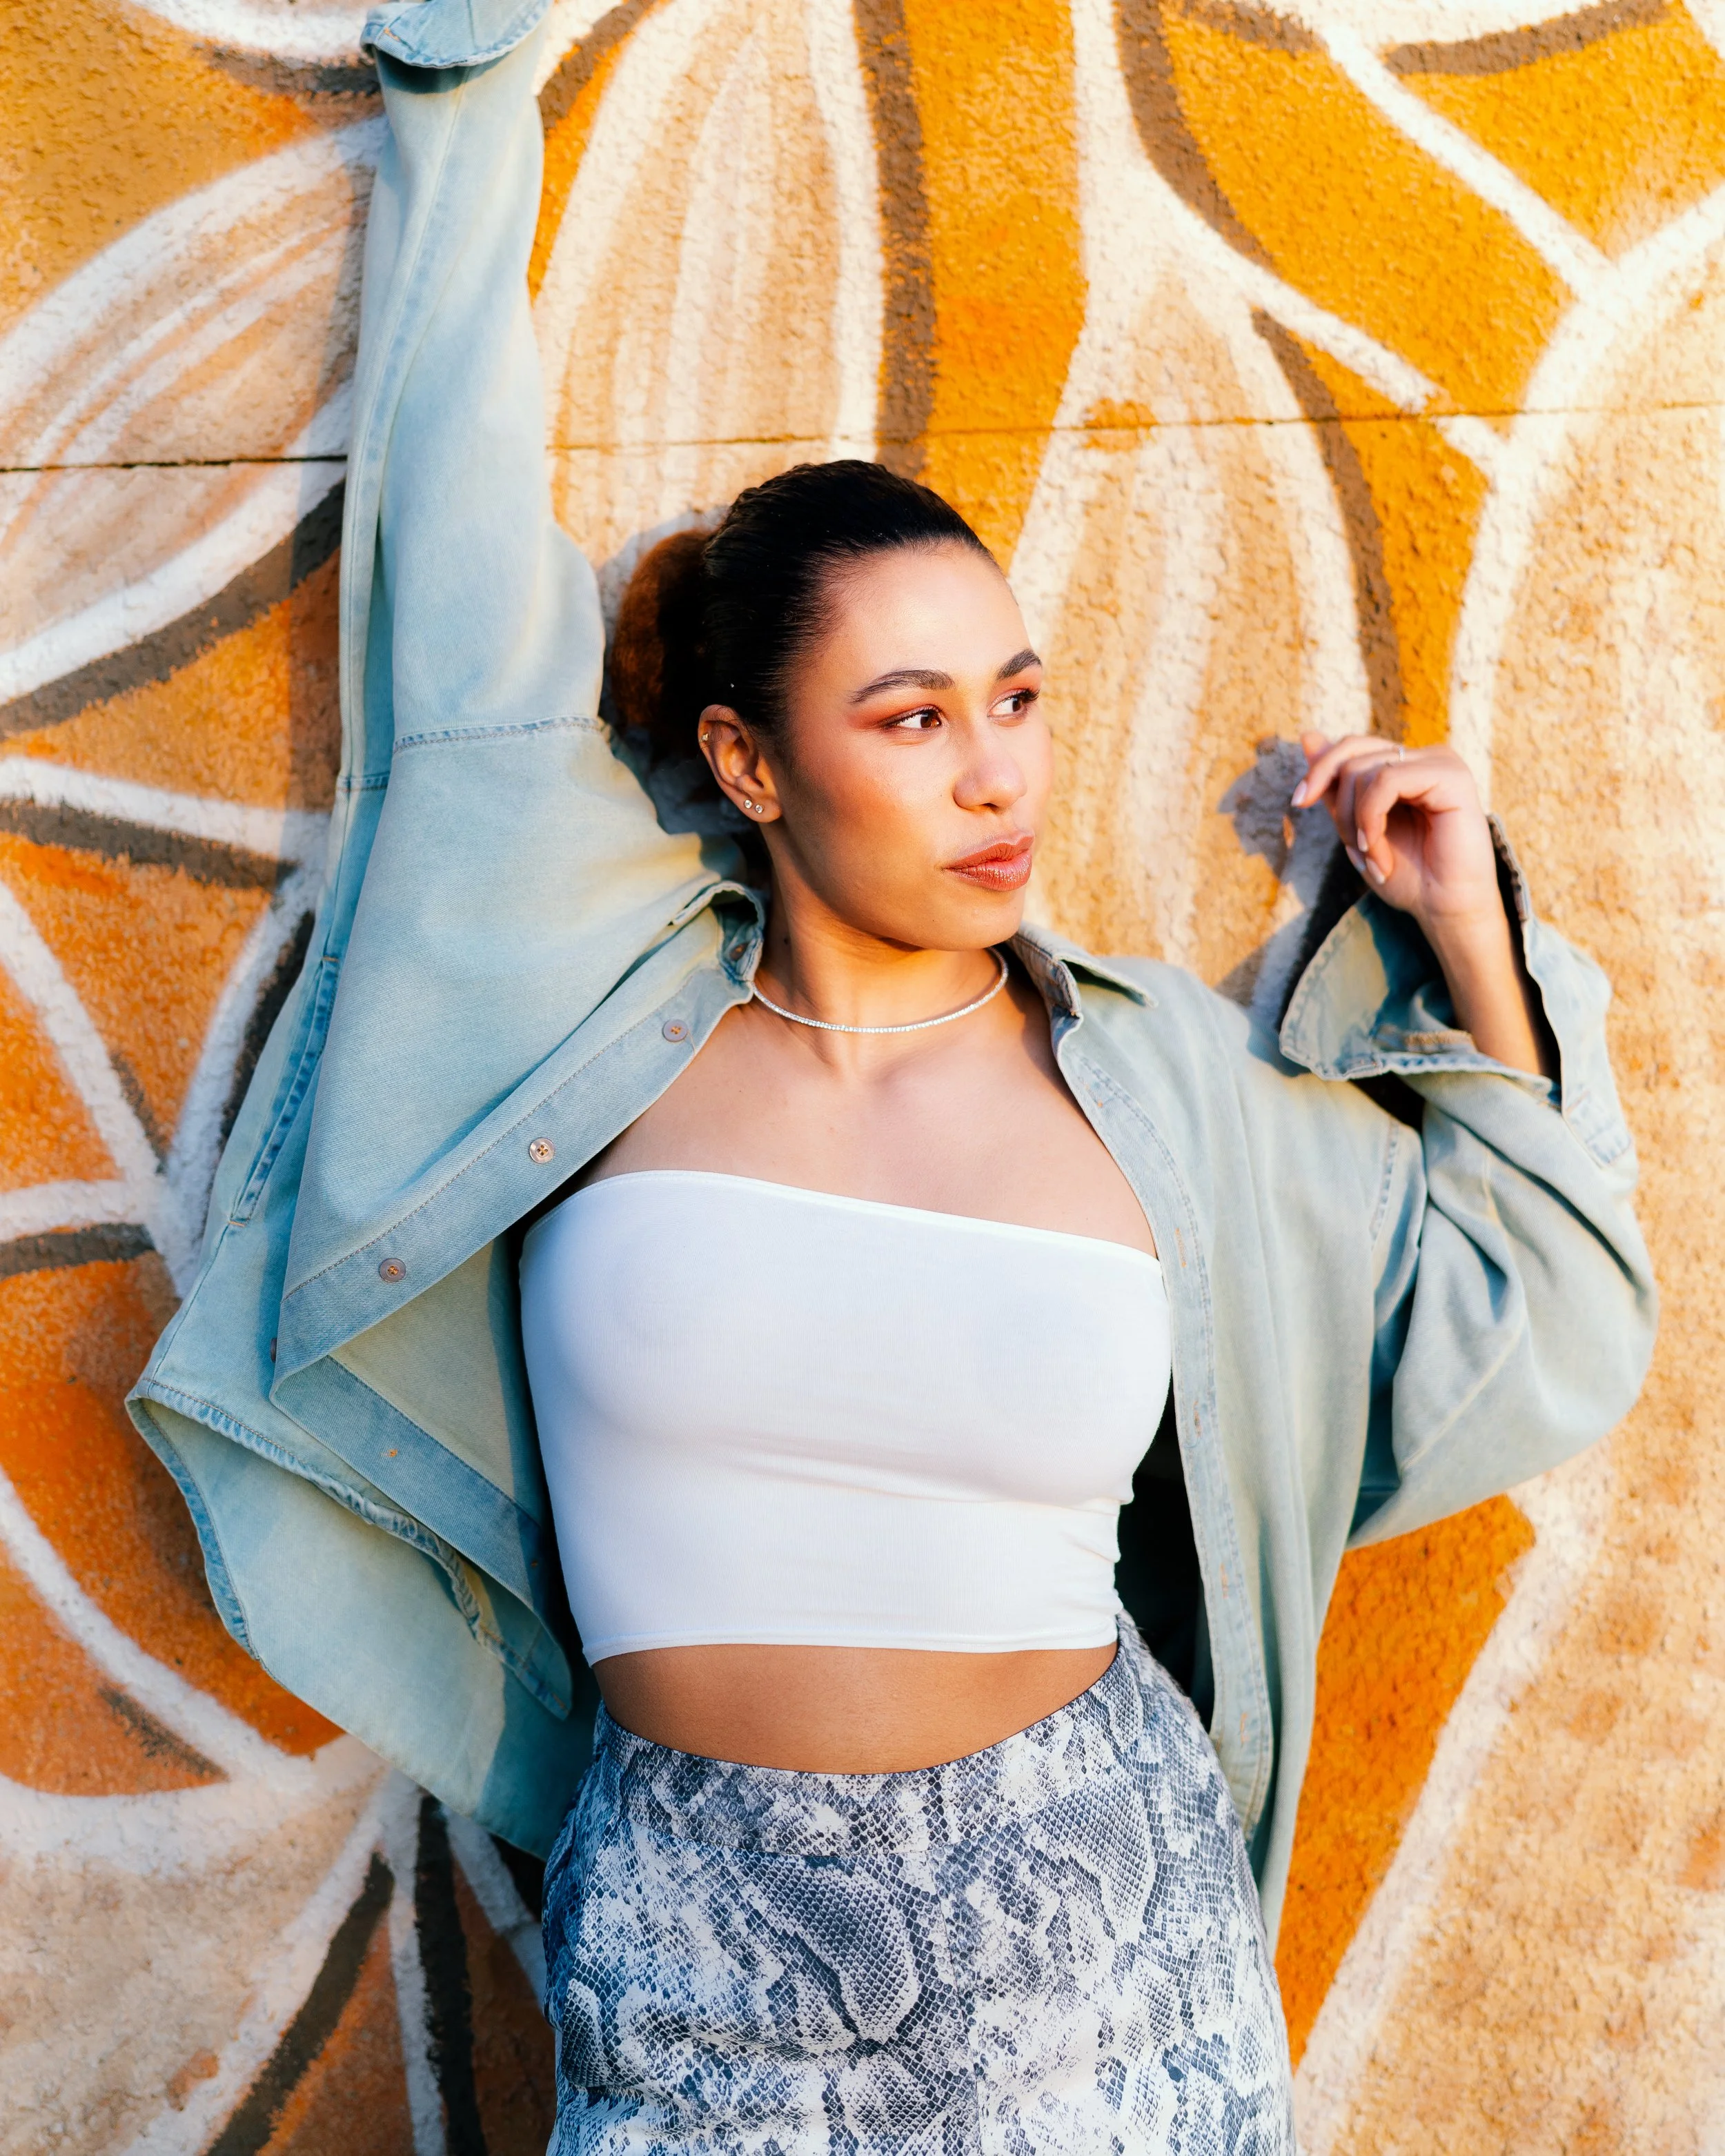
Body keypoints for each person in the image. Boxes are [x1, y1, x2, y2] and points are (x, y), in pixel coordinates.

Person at [128, 1, 1657, 2149]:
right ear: (746, 762)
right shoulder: (590, 1017)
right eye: (911, 716)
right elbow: (452, 606)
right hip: (698, 1944)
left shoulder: (1160, 1097)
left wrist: (1468, 928)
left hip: (1104, 1954)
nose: (992, 772)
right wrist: (454, 116)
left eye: (1013, 698)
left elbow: (1546, 1320)